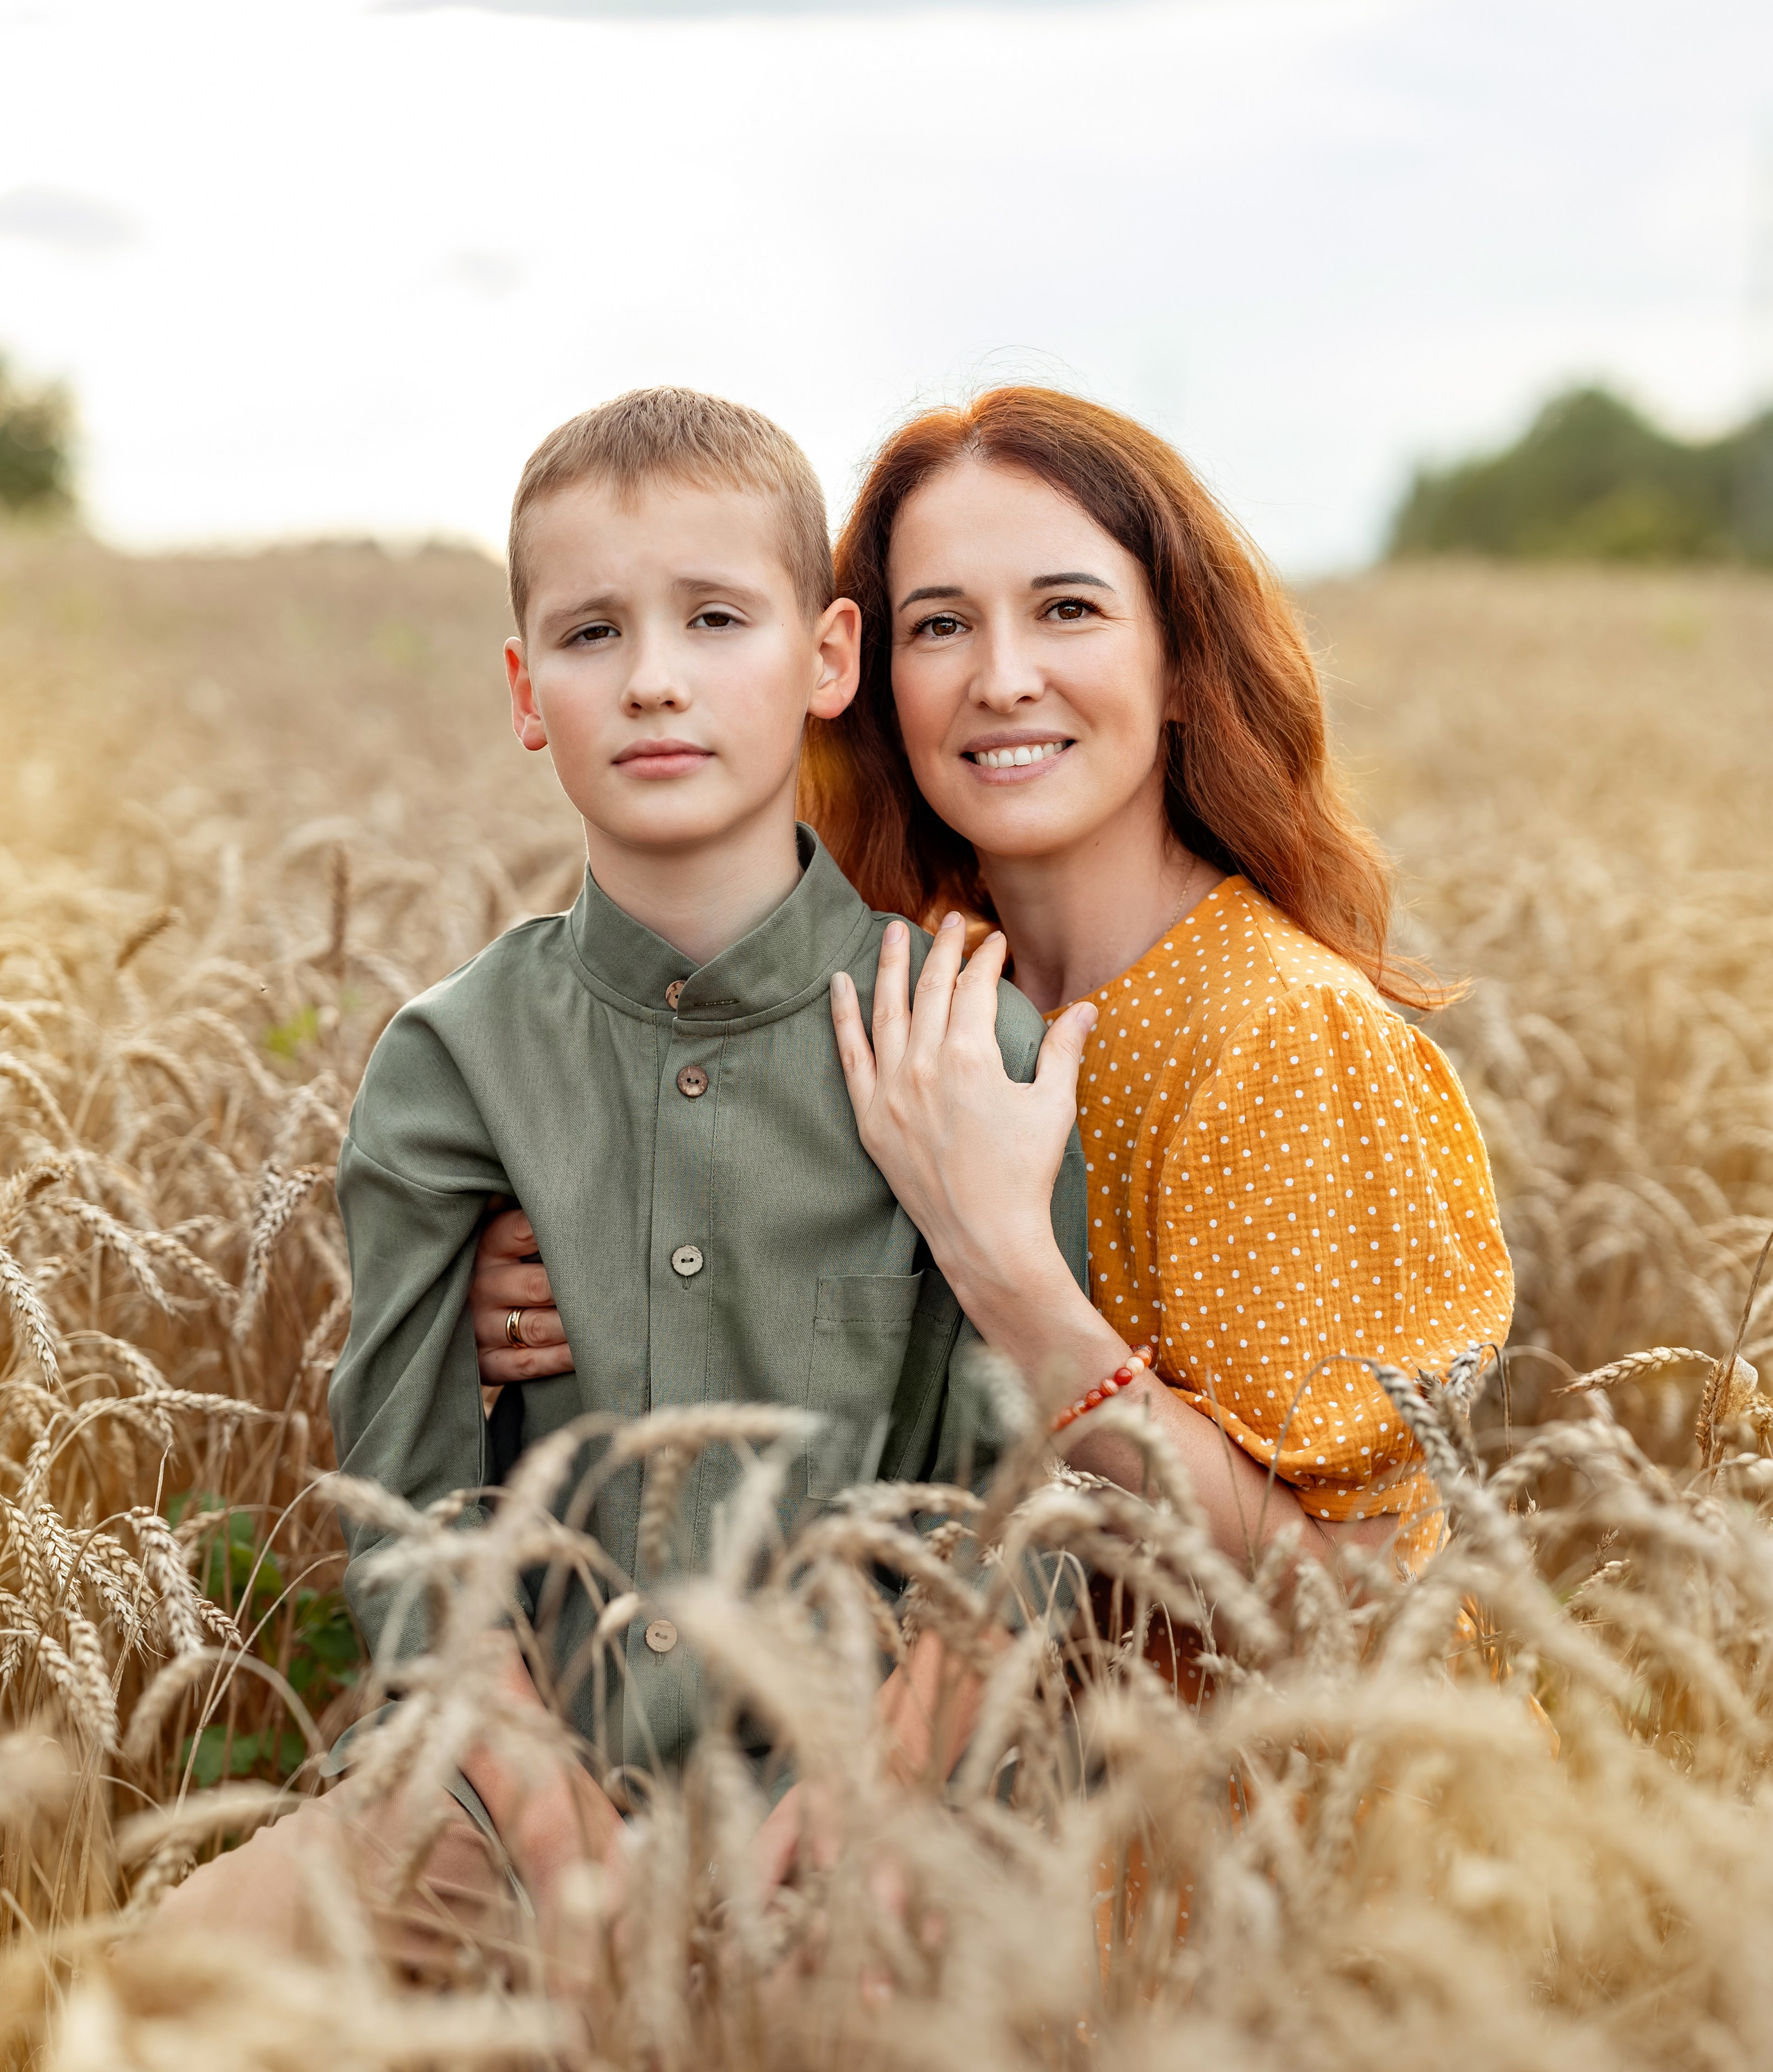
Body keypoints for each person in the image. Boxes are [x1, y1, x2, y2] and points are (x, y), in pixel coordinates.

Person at [152, 387, 1089, 1964]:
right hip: (504, 1800)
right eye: (593, 634)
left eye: (715, 618)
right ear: (528, 690)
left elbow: (1020, 1504)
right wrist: (545, 1820)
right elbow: (409, 1511)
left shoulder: (957, 1039)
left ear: (827, 659)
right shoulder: (452, 1065)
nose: (653, 677)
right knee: (156, 2005)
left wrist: (865, 1790)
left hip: (868, 1814)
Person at [474, 386, 1513, 1593]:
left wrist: (1011, 1279)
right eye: (940, 625)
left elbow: (1362, 1591)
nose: (1004, 679)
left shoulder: (1281, 1035)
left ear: (1182, 664)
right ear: (865, 673)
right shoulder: (907, 992)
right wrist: (544, 1280)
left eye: (1068, 609)